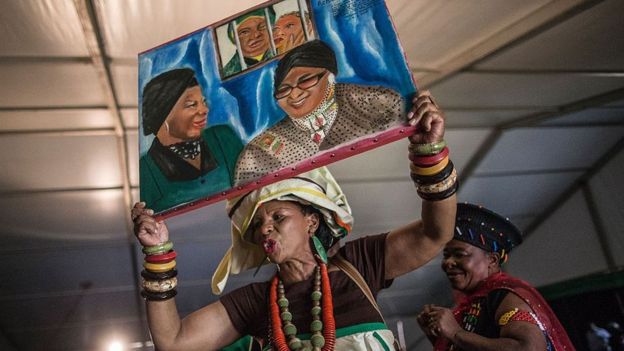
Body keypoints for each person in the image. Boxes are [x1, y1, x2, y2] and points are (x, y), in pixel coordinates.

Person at [131, 90, 459, 350]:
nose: (266, 228)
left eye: (279, 216)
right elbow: (172, 342)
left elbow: (435, 234)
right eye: (257, 225)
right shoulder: (256, 302)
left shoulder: (359, 264)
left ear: (311, 221)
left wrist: (430, 153)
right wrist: (158, 253)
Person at [233, 39, 404, 184]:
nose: (294, 94)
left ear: (330, 75)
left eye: (305, 80)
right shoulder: (259, 153)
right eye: (283, 89)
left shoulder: (381, 105)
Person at [416, 203, 575, 350]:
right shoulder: (472, 301)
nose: (448, 262)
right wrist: (438, 336)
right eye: (446, 255)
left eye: (459, 255)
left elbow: (528, 348)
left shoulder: (504, 295)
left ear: (491, 260)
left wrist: (456, 333)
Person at [140, 68, 244, 213]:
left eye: (203, 102)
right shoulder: (146, 171)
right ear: (162, 115)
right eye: (191, 105)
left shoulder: (223, 137)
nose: (204, 110)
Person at [223, 8, 276, 77]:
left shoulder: (283, 49)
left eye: (262, 27)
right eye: (245, 32)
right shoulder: (229, 72)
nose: (256, 35)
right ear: (234, 40)